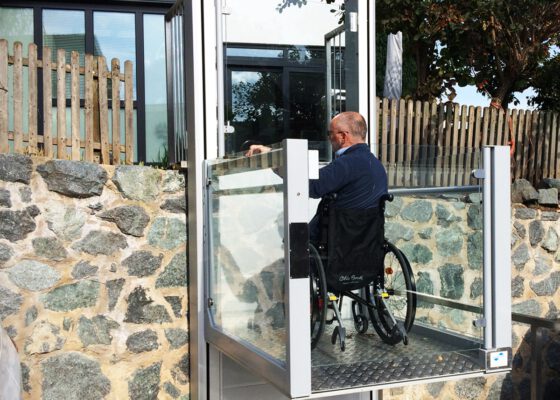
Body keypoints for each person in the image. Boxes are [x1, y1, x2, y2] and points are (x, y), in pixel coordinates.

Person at [245, 111, 388, 241]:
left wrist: (274, 160)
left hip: (335, 241)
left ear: (343, 136)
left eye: (329, 133)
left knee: (293, 239)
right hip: (365, 242)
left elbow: (310, 185)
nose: (328, 138)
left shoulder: (346, 164)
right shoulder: (376, 166)